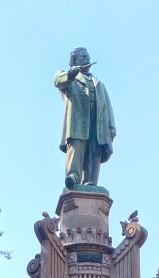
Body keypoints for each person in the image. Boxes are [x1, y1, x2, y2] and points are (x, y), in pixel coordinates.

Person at [54, 47, 116, 188]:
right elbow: (58, 80)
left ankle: (90, 181)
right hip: (78, 122)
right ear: (74, 61)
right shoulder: (69, 79)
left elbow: (108, 106)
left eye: (87, 56)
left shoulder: (99, 84)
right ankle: (73, 176)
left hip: (98, 123)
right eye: (82, 57)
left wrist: (111, 126)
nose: (87, 59)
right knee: (77, 147)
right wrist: (70, 74)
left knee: (94, 150)